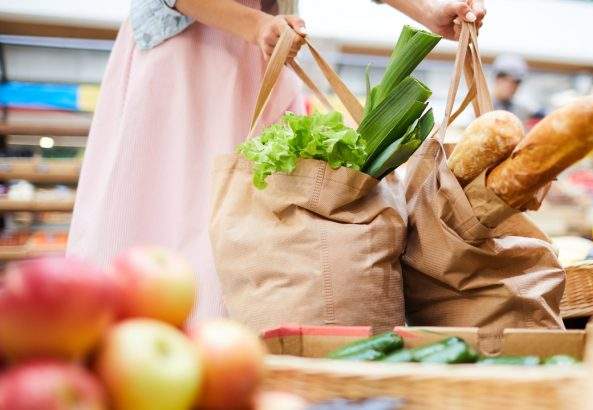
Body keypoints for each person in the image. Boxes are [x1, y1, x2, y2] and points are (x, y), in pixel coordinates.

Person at [67, 0, 485, 323]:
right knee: (166, 216)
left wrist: (429, 11)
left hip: (267, 47)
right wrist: (256, 25)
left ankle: (232, 364)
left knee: (259, 228)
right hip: (187, 52)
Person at [491, 53, 531, 122]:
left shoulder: (522, 112)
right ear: (496, 78)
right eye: (505, 78)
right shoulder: (476, 107)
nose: (510, 85)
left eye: (516, 81)